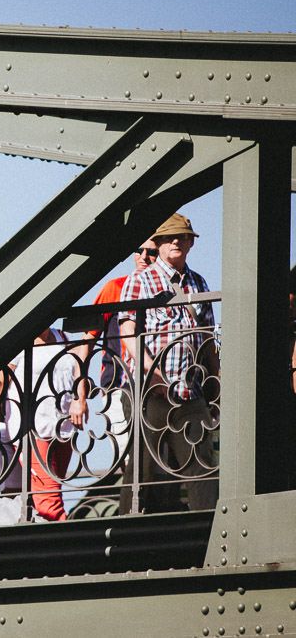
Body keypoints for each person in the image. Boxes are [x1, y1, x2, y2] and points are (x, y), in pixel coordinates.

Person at [118, 212, 218, 513]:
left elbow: (208, 338)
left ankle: (208, 531)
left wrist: (217, 380)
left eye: (183, 237)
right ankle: (126, 530)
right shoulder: (141, 280)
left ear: (191, 244)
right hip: (152, 390)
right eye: (169, 237)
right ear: (159, 244)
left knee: (200, 468)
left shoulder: (198, 282)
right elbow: (128, 334)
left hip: (190, 391)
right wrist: (155, 373)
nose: (177, 241)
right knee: (144, 469)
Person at [70, 240, 159, 477]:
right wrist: (80, 397)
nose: (143, 257)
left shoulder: (167, 290)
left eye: (151, 252)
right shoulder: (115, 287)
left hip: (158, 387)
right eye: (138, 250)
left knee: (159, 460)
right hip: (118, 387)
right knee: (127, 457)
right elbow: (85, 344)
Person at [0, 328, 82, 521]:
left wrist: (80, 399)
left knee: (50, 490)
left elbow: (78, 372)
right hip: (31, 428)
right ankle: (66, 544)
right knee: (50, 502)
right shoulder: (17, 340)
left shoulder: (61, 337)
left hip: (63, 427)